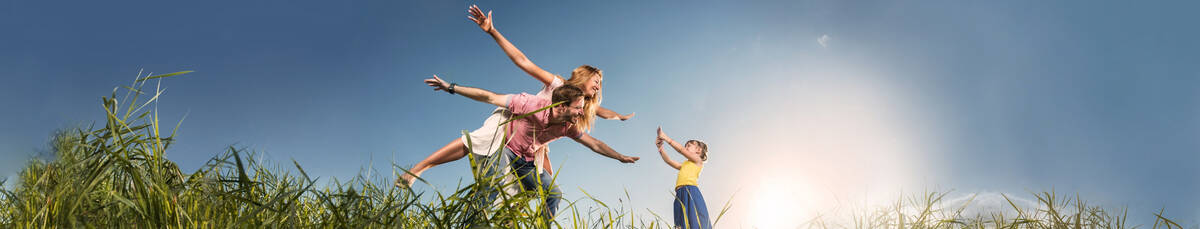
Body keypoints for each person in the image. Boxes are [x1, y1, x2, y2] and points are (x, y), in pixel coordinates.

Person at [396, 4, 634, 188]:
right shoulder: (557, 83)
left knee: (545, 186)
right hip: (516, 118)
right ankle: (419, 168)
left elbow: (602, 116)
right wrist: (492, 32)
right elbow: (522, 61)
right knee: (478, 141)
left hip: (537, 141)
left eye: (601, 84)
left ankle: (514, 217)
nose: (599, 87)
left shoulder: (582, 108)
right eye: (597, 81)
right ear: (584, 76)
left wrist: (620, 117)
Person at [424, 75, 640, 222]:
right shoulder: (528, 104)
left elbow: (594, 144)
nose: (581, 114)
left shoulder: (567, 127)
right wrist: (451, 87)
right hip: (506, 151)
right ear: (562, 107)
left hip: (526, 162)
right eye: (578, 109)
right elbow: (489, 97)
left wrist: (620, 157)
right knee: (491, 186)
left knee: (554, 193)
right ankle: (470, 223)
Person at [657, 127, 712, 229]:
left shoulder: (697, 160)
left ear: (698, 150)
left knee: (695, 220)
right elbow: (669, 161)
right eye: (685, 146)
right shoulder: (685, 164)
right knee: (681, 223)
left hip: (690, 191)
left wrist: (666, 138)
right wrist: (661, 149)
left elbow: (680, 150)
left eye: (689, 146)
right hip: (680, 193)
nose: (685, 147)